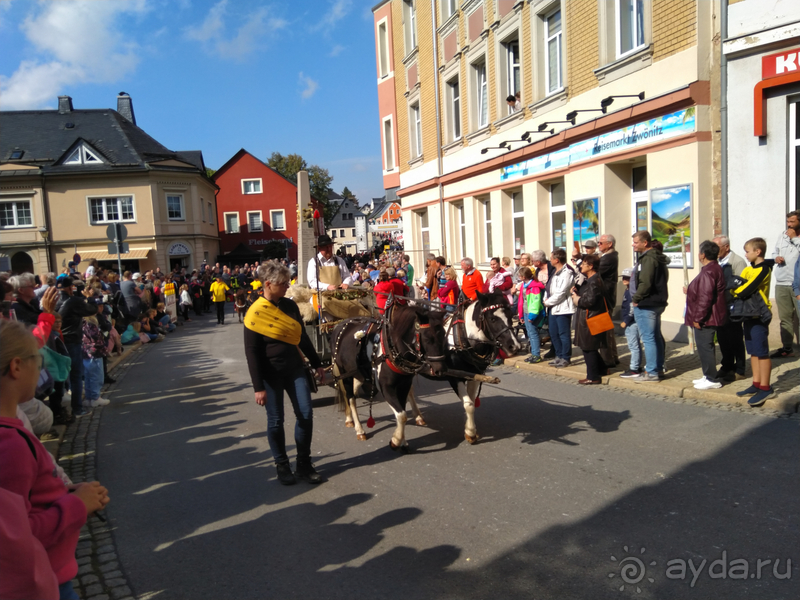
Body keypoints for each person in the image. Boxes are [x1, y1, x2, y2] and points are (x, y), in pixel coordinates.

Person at [0, 319, 110, 600]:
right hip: (43, 578)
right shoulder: (10, 443)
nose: (41, 367)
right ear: (16, 367)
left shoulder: (12, 428)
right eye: (37, 359)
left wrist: (66, 492)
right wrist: (77, 504)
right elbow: (19, 535)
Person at [244, 262, 325, 485]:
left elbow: (302, 338)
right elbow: (251, 352)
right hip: (270, 375)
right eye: (282, 284)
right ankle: (282, 465)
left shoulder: (290, 306)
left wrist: (318, 363)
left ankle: (303, 464)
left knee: (305, 415)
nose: (287, 286)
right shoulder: (255, 312)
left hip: (295, 369)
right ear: (268, 285)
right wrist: (257, 387)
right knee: (276, 421)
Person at [733, 238, 776, 407]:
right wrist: (736, 288)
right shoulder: (748, 269)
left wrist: (736, 290)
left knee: (762, 351)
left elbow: (745, 289)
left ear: (758, 252)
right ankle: (756, 383)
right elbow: (736, 282)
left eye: (748, 251)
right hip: (747, 313)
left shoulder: (764, 269)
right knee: (753, 351)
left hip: (759, 313)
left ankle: (766, 387)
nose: (745, 254)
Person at [684, 241, 728, 390]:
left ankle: (712, 379)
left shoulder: (709, 271)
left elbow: (706, 297)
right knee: (704, 347)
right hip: (709, 316)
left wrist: (698, 318)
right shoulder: (712, 268)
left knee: (705, 347)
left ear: (702, 255)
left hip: (707, 317)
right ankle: (707, 375)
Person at [630, 231, 669, 383]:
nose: (633, 244)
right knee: (656, 337)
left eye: (635, 242)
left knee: (649, 338)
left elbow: (645, 282)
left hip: (647, 303)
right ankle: (658, 368)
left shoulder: (648, 259)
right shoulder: (656, 258)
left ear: (644, 243)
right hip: (657, 302)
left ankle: (651, 371)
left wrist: (636, 298)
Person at [713, 235, 748, 381]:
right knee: (722, 338)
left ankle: (739, 368)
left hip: (733, 306)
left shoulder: (737, 261)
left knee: (735, 338)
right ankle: (726, 365)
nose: (715, 251)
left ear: (726, 247)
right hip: (719, 306)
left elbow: (740, 284)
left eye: (717, 247)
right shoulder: (716, 261)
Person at [570, 254, 609, 384]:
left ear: (591, 266)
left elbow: (589, 301)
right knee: (588, 346)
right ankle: (602, 369)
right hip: (588, 317)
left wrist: (577, 299)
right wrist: (577, 291)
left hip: (591, 318)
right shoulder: (589, 280)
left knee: (588, 347)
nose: (581, 266)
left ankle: (593, 377)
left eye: (584, 264)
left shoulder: (594, 281)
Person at [770, 210, 800, 358]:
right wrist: (776, 258)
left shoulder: (796, 237)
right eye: (788, 221)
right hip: (782, 283)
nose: (789, 225)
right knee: (785, 318)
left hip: (798, 284)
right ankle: (787, 348)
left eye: (792, 222)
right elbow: (774, 252)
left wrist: (795, 239)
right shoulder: (782, 235)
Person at [543, 248, 575, 368]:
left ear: (557, 260)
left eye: (551, 258)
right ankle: (558, 354)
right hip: (552, 308)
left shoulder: (567, 273)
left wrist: (548, 302)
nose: (549, 260)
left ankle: (565, 357)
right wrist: (545, 299)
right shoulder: (554, 272)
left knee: (563, 334)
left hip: (563, 308)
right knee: (553, 333)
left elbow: (561, 293)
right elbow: (548, 288)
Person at [81, 297, 111, 408]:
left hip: (86, 351)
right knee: (96, 376)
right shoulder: (90, 322)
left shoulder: (82, 321)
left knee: (89, 376)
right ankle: (95, 397)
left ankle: (90, 398)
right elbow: (95, 338)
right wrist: (103, 346)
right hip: (94, 351)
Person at [597, 234, 620, 368]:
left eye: (601, 243)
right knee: (607, 331)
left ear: (609, 244)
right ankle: (613, 357)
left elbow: (596, 271)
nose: (598, 245)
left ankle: (608, 360)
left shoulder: (609, 257)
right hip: (605, 297)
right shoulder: (605, 256)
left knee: (604, 330)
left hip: (605, 298)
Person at [518, 267, 546, 363]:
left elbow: (536, 302)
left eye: (520, 275)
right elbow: (522, 300)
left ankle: (536, 355)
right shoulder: (524, 285)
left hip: (532, 313)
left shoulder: (534, 286)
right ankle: (533, 354)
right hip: (526, 312)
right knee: (530, 333)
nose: (518, 277)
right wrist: (521, 315)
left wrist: (532, 315)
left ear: (524, 276)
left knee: (533, 334)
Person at [618, 269, 642, 378]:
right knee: (635, 345)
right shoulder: (627, 290)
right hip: (630, 321)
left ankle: (634, 369)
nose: (624, 279)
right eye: (623, 277)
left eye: (627, 278)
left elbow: (632, 308)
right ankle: (637, 366)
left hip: (632, 322)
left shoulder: (632, 291)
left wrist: (626, 321)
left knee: (633, 346)